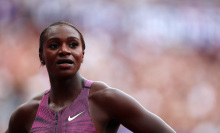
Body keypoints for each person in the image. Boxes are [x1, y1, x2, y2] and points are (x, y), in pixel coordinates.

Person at [6, 21, 175, 133]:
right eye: (54, 45)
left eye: (73, 44)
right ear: (41, 56)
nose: (64, 50)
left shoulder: (104, 100)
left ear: (82, 54)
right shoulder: (27, 114)